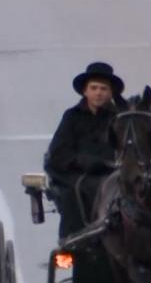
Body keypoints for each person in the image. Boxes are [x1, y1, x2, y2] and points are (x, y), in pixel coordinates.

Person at [44, 61, 125, 239]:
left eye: (103, 88)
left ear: (111, 92)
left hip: (111, 172)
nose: (98, 93)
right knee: (74, 194)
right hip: (76, 174)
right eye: (94, 87)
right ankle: (74, 238)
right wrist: (85, 161)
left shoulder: (119, 117)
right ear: (85, 91)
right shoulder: (72, 116)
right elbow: (58, 154)